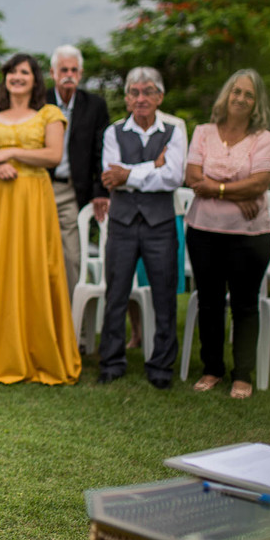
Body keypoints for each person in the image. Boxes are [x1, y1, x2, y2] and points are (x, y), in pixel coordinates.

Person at [0, 53, 80, 385]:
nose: (17, 77)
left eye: (24, 72)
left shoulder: (48, 114)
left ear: (36, 80)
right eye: (12, 72)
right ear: (5, 79)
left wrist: (10, 152)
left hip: (32, 203)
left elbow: (53, 156)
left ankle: (37, 351)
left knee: (33, 267)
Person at [184, 69, 270, 399]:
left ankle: (243, 374)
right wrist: (240, 194)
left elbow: (261, 182)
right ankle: (212, 369)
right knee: (209, 303)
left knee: (244, 305)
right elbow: (193, 177)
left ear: (256, 103)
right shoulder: (203, 132)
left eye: (248, 95)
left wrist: (219, 188)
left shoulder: (263, 138)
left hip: (249, 237)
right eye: (235, 91)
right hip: (203, 232)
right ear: (226, 95)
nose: (240, 98)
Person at [96, 66, 187, 387]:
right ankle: (111, 361)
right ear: (126, 98)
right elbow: (110, 177)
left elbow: (174, 177)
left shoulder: (176, 130)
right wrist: (153, 167)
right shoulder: (113, 132)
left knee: (164, 295)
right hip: (121, 224)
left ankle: (161, 367)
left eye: (148, 91)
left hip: (161, 224)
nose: (141, 98)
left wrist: (129, 175)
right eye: (134, 92)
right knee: (116, 294)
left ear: (160, 96)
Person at [45, 44, 110, 298]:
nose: (68, 74)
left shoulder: (94, 105)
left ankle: (74, 329)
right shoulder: (41, 101)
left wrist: (100, 190)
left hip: (72, 189)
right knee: (37, 254)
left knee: (71, 256)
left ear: (80, 74)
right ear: (53, 72)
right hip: (42, 184)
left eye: (73, 70)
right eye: (63, 69)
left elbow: (100, 151)